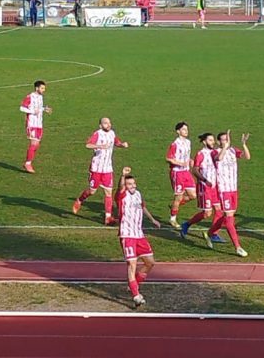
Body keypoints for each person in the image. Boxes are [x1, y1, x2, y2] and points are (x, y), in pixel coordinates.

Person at [116, 167, 161, 308]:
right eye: (129, 184)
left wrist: (152, 219)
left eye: (133, 183)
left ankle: (133, 284)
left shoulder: (138, 194)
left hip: (139, 235)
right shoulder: (122, 196)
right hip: (127, 235)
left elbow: (143, 207)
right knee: (132, 264)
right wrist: (122, 176)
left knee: (150, 262)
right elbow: (120, 187)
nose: (132, 186)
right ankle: (136, 295)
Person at [72, 117, 129, 223]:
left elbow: (116, 142)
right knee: (92, 191)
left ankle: (108, 217)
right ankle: (79, 200)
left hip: (107, 168)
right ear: (101, 125)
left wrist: (122, 145)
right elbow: (88, 144)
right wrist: (100, 146)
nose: (109, 124)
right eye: (106, 123)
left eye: (109, 123)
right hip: (96, 168)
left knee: (108, 192)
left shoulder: (112, 133)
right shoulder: (97, 134)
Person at [206, 130, 249, 257]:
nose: (226, 141)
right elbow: (218, 159)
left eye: (227, 139)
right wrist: (224, 147)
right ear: (219, 142)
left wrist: (244, 144)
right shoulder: (215, 152)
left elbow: (247, 157)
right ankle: (238, 247)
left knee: (227, 216)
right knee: (229, 219)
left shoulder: (233, 151)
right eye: (224, 139)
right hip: (223, 189)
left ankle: (209, 233)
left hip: (233, 189)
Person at [181, 132, 223, 241]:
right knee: (207, 213)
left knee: (219, 211)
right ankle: (187, 224)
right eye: (210, 140)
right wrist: (204, 180)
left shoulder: (215, 153)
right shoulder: (201, 154)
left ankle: (213, 234)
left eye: (213, 140)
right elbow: (195, 170)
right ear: (204, 142)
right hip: (204, 187)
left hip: (215, 186)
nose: (212, 142)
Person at [166, 121, 196, 229]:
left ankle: (174, 206)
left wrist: (190, 160)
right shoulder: (175, 144)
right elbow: (168, 158)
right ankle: (173, 218)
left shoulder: (188, 142)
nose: (186, 131)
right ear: (178, 131)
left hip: (186, 172)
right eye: (184, 129)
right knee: (178, 196)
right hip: (177, 172)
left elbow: (186, 155)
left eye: (187, 129)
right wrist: (181, 163)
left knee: (193, 195)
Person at [20, 80, 51, 173]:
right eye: (42, 88)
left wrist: (44, 109)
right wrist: (33, 112)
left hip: (39, 124)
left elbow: (38, 108)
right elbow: (22, 108)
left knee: (37, 145)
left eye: (44, 88)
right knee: (34, 144)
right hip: (32, 124)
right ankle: (28, 163)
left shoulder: (41, 97)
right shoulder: (30, 97)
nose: (43, 90)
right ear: (36, 88)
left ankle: (28, 162)